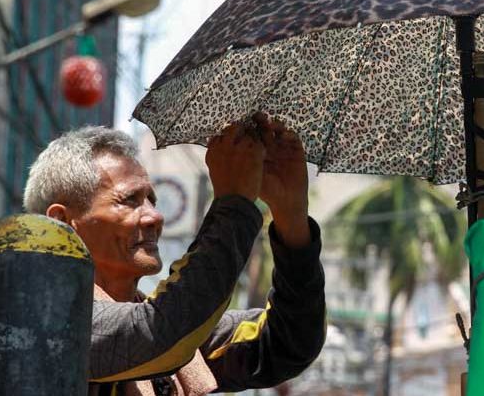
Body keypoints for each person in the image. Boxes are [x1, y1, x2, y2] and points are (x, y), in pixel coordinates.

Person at [22, 115, 326, 396]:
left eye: (151, 200)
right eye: (130, 200)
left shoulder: (180, 335)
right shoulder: (47, 320)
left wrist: (291, 218)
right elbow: (161, 331)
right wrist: (234, 203)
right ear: (62, 222)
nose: (154, 217)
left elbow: (288, 343)